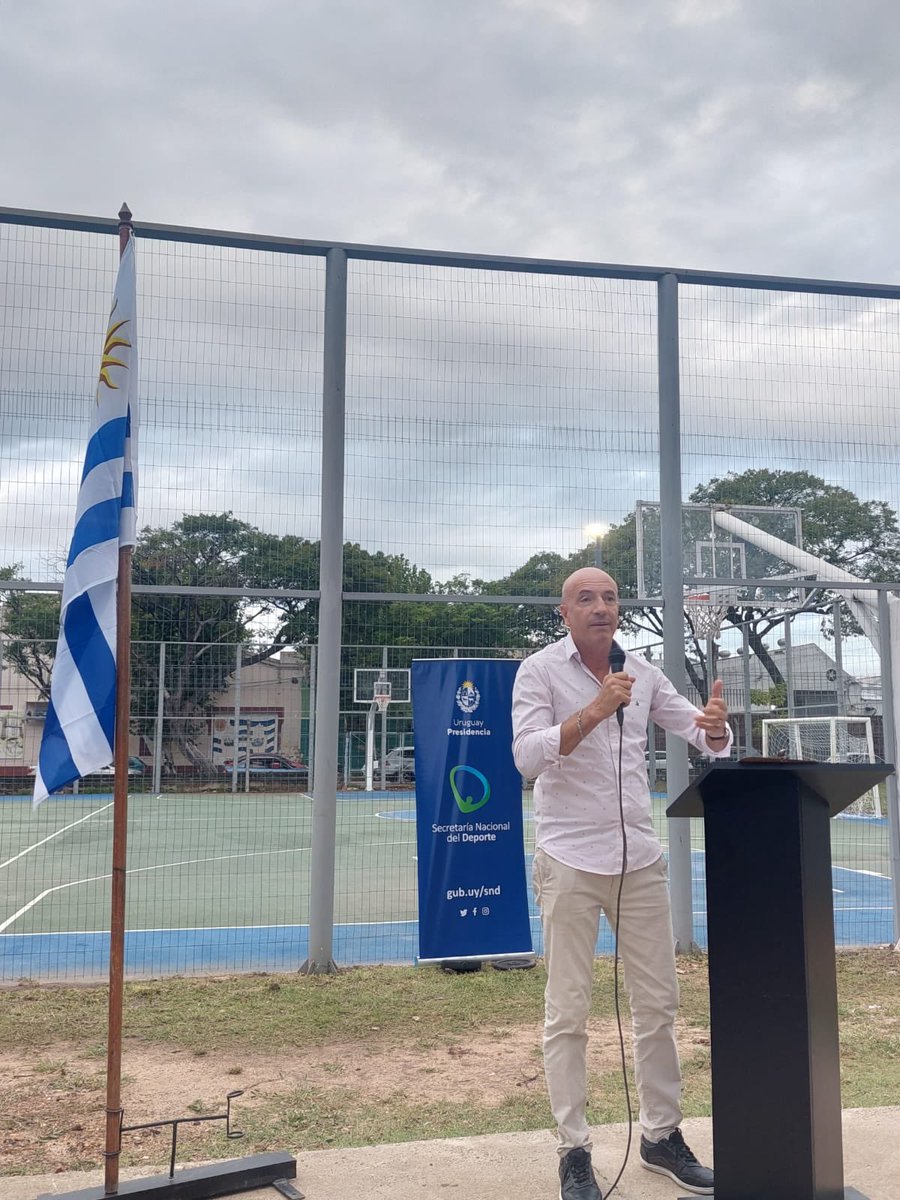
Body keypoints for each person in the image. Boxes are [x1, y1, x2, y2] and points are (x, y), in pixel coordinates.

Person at [511, 568, 732, 1200]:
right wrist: (595, 710)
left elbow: (702, 733)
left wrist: (716, 727)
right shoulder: (539, 672)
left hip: (639, 861)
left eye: (610, 598)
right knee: (568, 1012)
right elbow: (527, 757)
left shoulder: (645, 673)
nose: (601, 607)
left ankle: (661, 1137)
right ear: (564, 613)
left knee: (658, 1005)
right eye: (586, 598)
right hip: (569, 861)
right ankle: (574, 1150)